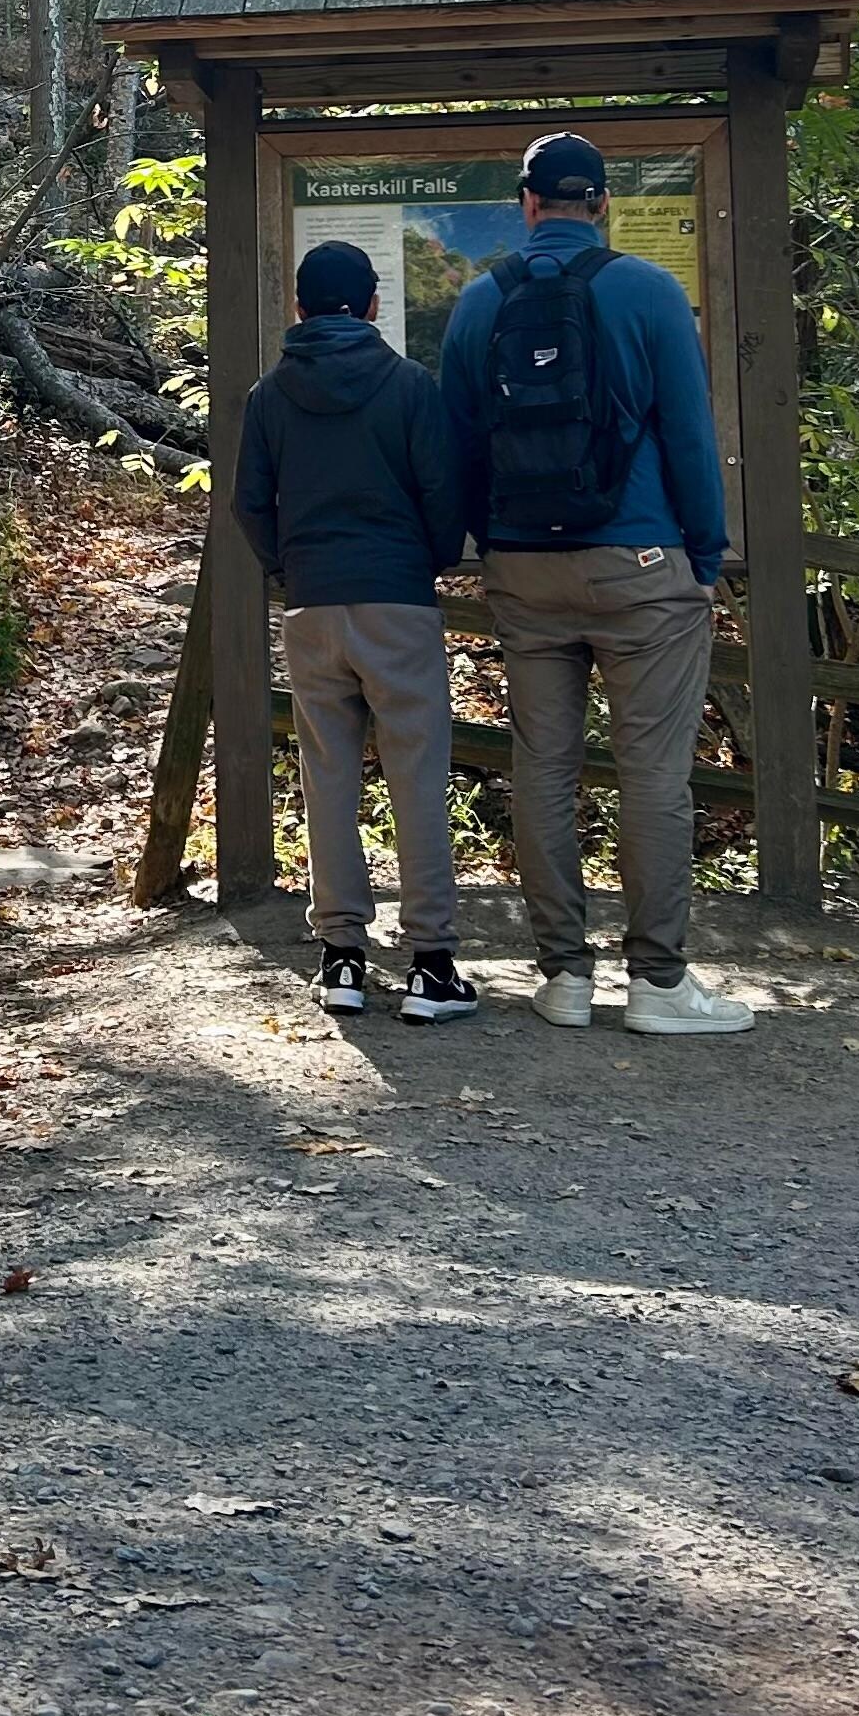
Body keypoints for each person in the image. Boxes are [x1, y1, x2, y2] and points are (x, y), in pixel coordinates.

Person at [439, 131, 752, 1038]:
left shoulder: (476, 304)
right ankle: (656, 982)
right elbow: (690, 435)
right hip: (643, 566)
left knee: (544, 765)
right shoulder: (650, 292)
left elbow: (460, 441)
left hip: (523, 567)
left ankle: (564, 976)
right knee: (654, 774)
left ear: (527, 203)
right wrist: (703, 554)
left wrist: (482, 544)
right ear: (603, 203)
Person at [233, 236, 478, 1023]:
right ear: (373, 304)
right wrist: (429, 560)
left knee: (327, 775)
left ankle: (341, 957)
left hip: (313, 603)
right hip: (397, 597)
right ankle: (431, 966)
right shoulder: (409, 384)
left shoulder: (268, 396)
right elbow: (443, 492)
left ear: (299, 307)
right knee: (417, 775)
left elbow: (249, 503)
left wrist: (290, 566)